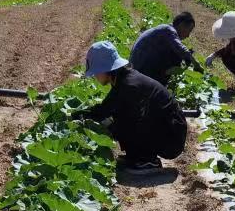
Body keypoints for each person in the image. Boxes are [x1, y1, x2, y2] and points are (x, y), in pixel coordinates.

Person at [79, 42, 188, 175]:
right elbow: (104, 109)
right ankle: (138, 156)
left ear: (105, 69)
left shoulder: (128, 85)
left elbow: (103, 112)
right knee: (117, 120)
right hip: (168, 130)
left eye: (96, 72)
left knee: (120, 121)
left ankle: (146, 160)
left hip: (171, 139)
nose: (95, 76)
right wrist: (78, 115)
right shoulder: (125, 79)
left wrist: (77, 118)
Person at [129, 11, 202, 86]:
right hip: (140, 69)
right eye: (189, 31)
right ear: (181, 25)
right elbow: (180, 48)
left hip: (137, 67)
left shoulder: (165, 29)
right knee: (175, 57)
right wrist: (196, 64)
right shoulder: (168, 30)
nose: (188, 35)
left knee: (175, 56)